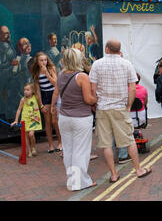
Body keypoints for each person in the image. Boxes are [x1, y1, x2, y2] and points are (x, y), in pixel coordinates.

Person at [89, 39, 152, 182]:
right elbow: (133, 87)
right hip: (120, 107)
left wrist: (95, 103)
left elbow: (93, 88)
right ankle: (138, 170)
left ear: (106, 49)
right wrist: (129, 106)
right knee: (129, 140)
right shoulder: (127, 64)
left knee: (106, 144)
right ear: (119, 50)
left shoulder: (97, 65)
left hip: (103, 108)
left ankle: (113, 174)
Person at [50, 48, 98, 191]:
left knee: (69, 150)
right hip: (81, 118)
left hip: (64, 117)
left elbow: (56, 93)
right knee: (80, 151)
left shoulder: (60, 74)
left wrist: (53, 106)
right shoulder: (82, 76)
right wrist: (96, 97)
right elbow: (88, 99)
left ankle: (72, 181)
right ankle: (79, 183)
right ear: (78, 60)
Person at [31, 52, 62, 153]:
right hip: (44, 96)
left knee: (54, 121)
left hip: (53, 94)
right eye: (41, 60)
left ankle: (60, 142)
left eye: (45, 60)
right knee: (47, 121)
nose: (44, 62)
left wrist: (46, 73)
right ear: (37, 62)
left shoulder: (51, 68)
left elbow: (55, 83)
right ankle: (50, 145)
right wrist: (41, 104)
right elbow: (37, 89)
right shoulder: (36, 72)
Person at [10, 83, 42, 157]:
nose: (25, 91)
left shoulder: (35, 97)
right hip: (25, 120)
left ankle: (33, 147)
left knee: (31, 134)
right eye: (24, 90)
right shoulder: (23, 99)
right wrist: (16, 120)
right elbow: (19, 110)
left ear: (32, 91)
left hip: (33, 120)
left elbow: (40, 103)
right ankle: (29, 151)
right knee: (26, 136)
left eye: (28, 90)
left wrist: (42, 107)